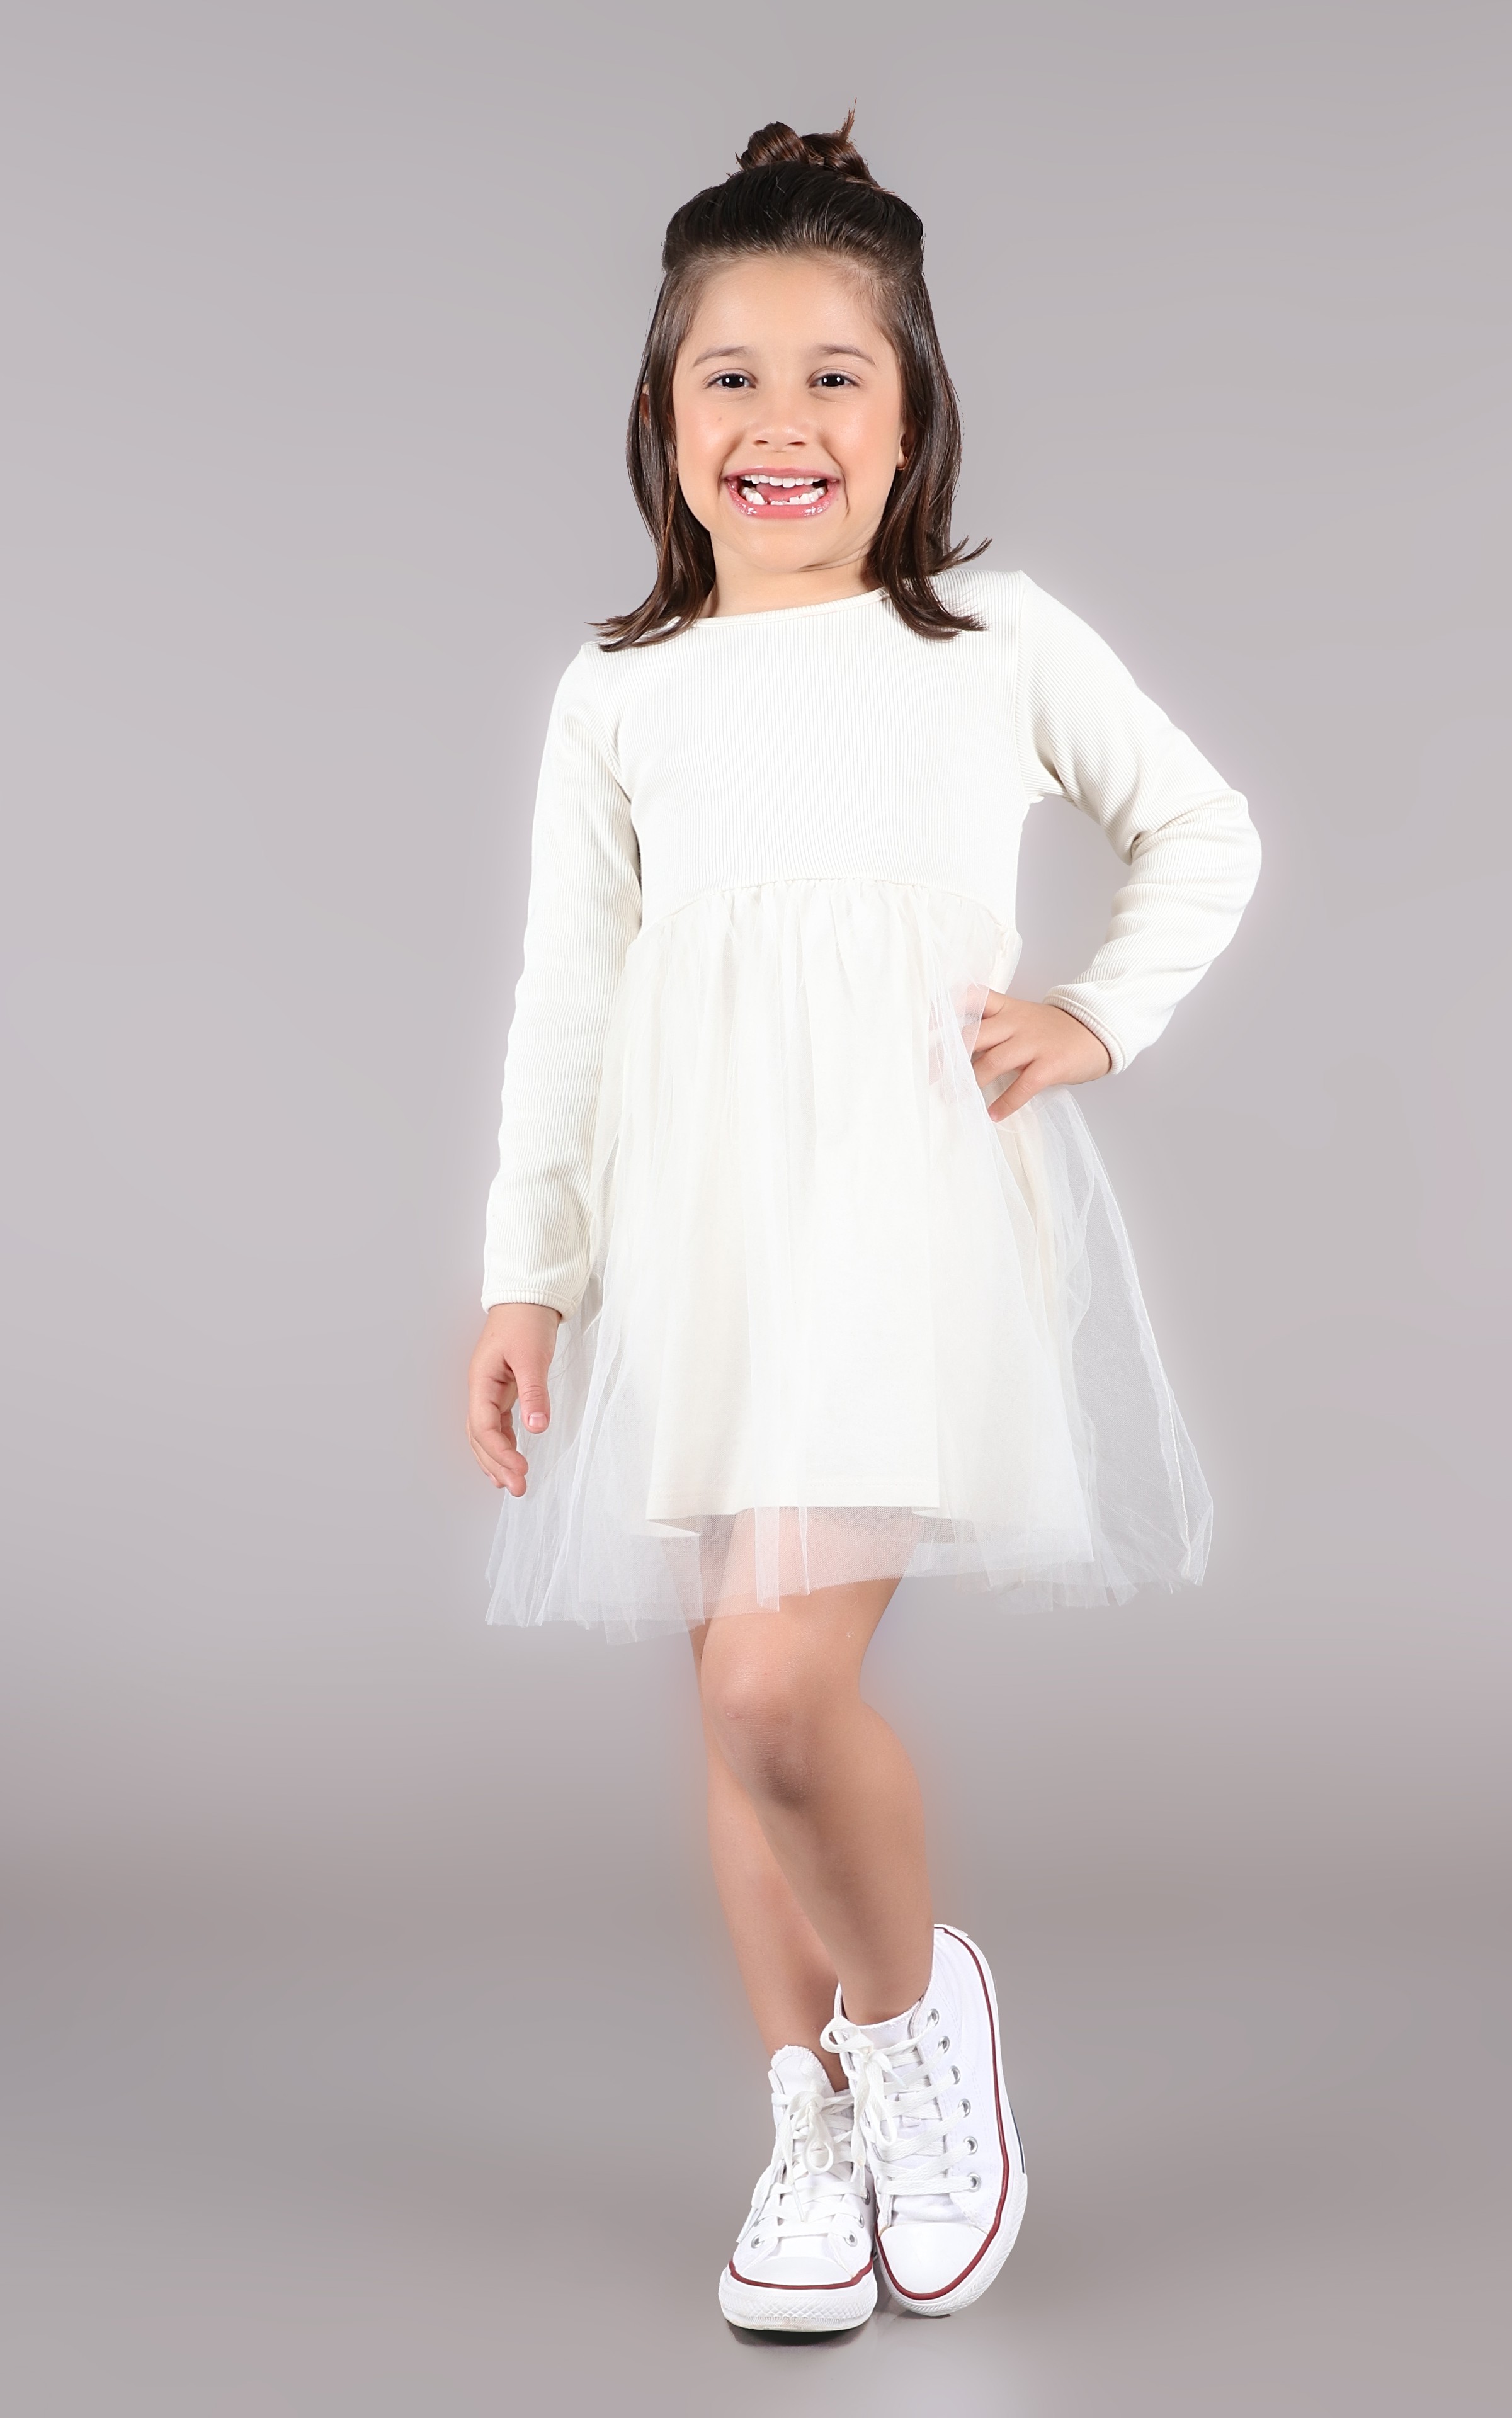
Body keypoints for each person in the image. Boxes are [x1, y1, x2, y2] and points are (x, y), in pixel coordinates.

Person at [466, 112, 1260, 2332]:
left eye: (835, 376)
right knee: (734, 1715)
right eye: (730, 377)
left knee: (774, 1688)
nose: (781, 422)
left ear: (910, 421)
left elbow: (1199, 829)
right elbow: (568, 997)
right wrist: (533, 1274)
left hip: (905, 1221)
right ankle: (804, 2119)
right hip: (697, 1235)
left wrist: (1093, 1017)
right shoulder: (620, 693)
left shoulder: (988, 640)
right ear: (663, 415)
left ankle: (913, 2029)